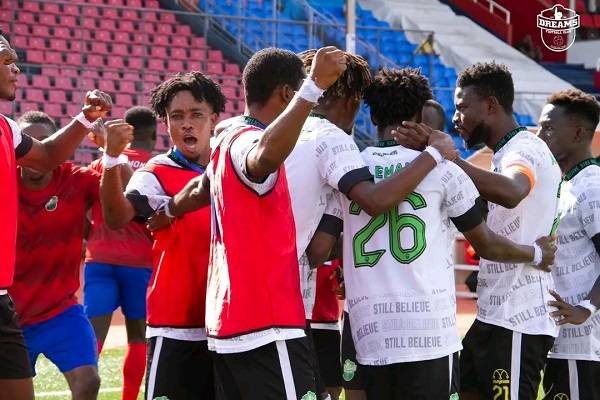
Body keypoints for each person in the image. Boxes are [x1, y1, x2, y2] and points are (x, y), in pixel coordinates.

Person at [167, 47, 457, 399]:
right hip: (274, 309)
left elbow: (200, 188)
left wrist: (167, 210)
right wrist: (435, 154)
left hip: (224, 309)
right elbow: (344, 228)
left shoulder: (231, 131)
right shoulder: (332, 141)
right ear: (350, 98)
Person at [313, 67, 556, 399]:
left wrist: (354, 261)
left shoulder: (350, 171)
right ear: (419, 115)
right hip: (428, 333)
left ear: (372, 118)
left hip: (366, 327)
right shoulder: (443, 172)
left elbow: (322, 248)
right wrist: (537, 253)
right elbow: (485, 242)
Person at [0, 29, 111, 400]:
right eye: (6, 60)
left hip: (25, 305)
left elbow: (48, 154)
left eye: (16, 60)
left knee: (84, 382)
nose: (16, 69)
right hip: (13, 305)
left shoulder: (6, 128)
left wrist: (87, 121)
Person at [100, 71, 225, 400]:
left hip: (229, 323)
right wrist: (112, 158)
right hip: (175, 323)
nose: (187, 124)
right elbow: (116, 217)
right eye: (177, 116)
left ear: (213, 119)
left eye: (196, 115)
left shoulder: (234, 167)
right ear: (166, 124)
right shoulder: (155, 172)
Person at [451, 62, 562, 400]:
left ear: (490, 105)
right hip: (495, 315)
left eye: (462, 107)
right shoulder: (502, 155)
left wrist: (451, 160)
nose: (457, 117)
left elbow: (513, 191)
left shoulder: (523, 150)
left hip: (519, 319)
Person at [9, 111, 106, 400]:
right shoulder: (4, 181)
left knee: (88, 381)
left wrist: (112, 153)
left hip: (59, 311)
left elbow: (120, 202)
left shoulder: (77, 180)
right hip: (10, 317)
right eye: (30, 145)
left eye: (45, 143)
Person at [84, 106, 156, 400]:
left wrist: (94, 235)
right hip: (140, 263)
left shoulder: (100, 163)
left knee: (93, 338)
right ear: (153, 134)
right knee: (138, 337)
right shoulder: (156, 166)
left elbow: (84, 209)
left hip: (100, 258)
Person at [537, 89, 600, 400]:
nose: (539, 135)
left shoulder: (592, 185)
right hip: (564, 340)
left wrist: (586, 308)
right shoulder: (569, 183)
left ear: (577, 132)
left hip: (584, 343)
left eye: (548, 127)